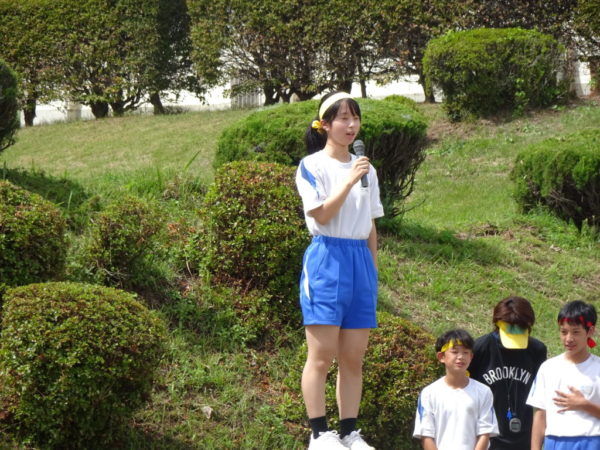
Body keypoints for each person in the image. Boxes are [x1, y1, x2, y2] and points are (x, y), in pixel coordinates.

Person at [295, 92, 384, 450]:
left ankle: (349, 432)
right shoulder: (312, 165)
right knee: (321, 356)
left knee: (353, 358)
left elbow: (370, 224)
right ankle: (319, 432)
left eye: (355, 118)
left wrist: (372, 271)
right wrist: (348, 180)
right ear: (325, 125)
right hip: (327, 258)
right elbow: (321, 214)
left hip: (359, 261)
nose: (351, 125)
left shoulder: (368, 169)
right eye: (343, 118)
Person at [468, 295, 547, 449]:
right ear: (497, 323)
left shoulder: (536, 350)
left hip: (523, 439)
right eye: (510, 328)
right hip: (486, 439)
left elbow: (542, 398)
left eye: (521, 328)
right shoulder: (480, 349)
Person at [526, 300, 600, 450]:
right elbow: (540, 415)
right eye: (564, 332)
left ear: (590, 331)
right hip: (555, 442)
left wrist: (584, 405)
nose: (569, 339)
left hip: (592, 442)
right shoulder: (548, 368)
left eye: (576, 332)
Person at [413, 329, 499, 450]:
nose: (461, 357)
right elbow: (426, 435)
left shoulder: (484, 392)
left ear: (471, 357)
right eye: (454, 352)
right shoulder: (429, 393)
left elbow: (485, 433)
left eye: (465, 352)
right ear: (441, 357)